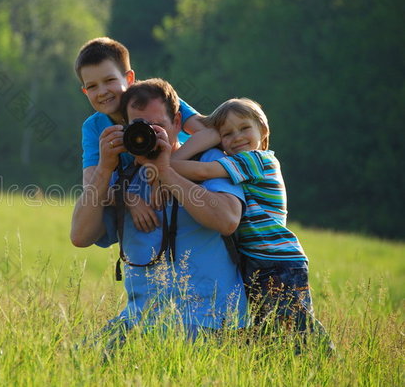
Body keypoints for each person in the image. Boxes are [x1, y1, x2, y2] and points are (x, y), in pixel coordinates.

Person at [70, 79, 247, 344]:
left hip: (210, 321)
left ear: (177, 122)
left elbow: (228, 220)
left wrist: (167, 172)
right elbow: (80, 236)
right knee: (78, 360)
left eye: (159, 127)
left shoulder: (209, 162)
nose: (148, 135)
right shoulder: (124, 177)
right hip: (141, 321)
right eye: (139, 127)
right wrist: (105, 169)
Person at [170, 98, 333, 349]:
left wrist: (163, 166)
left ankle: (325, 362)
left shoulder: (258, 160)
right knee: (270, 334)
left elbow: (201, 171)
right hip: (259, 262)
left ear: (263, 132)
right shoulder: (239, 165)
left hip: (277, 261)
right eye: (227, 134)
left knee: (295, 330)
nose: (237, 137)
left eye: (244, 128)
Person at [74, 37, 220, 233]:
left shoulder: (156, 99)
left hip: (185, 176)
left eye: (110, 80)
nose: (102, 91)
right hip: (139, 193)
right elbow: (91, 184)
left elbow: (211, 132)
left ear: (129, 78)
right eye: (92, 86)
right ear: (84, 91)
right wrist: (128, 198)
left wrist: (163, 170)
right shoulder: (94, 127)